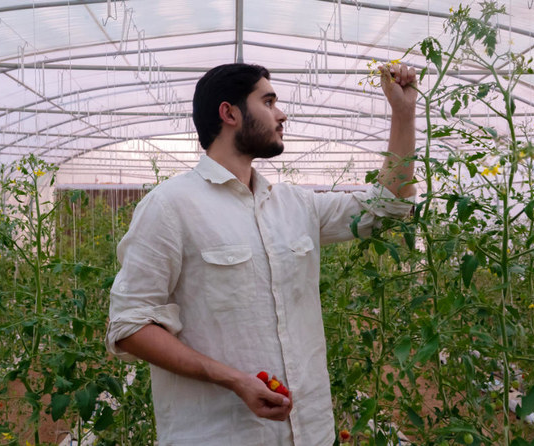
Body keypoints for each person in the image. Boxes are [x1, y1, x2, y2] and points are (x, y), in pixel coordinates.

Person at [105, 62, 417, 445]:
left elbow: (387, 206)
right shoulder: (170, 207)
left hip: (312, 433)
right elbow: (129, 327)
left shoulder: (295, 205)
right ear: (229, 113)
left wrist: (403, 112)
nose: (281, 114)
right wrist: (233, 379)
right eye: (268, 102)